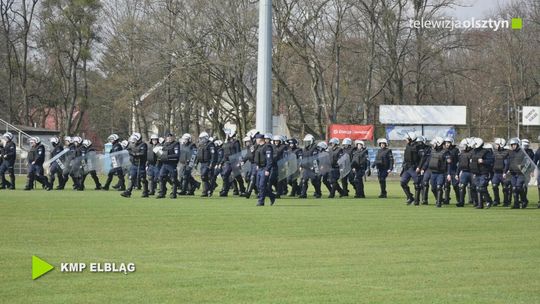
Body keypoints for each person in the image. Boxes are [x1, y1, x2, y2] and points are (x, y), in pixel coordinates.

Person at [121, 133, 149, 198]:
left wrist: (135, 154)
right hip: (134, 164)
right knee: (132, 177)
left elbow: (143, 153)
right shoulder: (132, 145)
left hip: (141, 164)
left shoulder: (143, 144)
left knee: (142, 178)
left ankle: (145, 192)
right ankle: (128, 191)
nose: (133, 140)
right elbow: (128, 150)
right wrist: (131, 153)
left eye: (135, 139)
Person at [470, 137, 494, 209]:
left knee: (482, 187)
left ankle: (488, 201)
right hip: (476, 172)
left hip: (484, 172)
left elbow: (491, 161)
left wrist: (483, 161)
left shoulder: (486, 152)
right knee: (478, 188)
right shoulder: (473, 152)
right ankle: (480, 204)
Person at [425, 137, 450, 207]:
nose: (433, 145)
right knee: (433, 188)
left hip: (441, 173)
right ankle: (439, 199)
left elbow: (449, 164)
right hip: (433, 173)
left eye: (435, 143)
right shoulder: (432, 151)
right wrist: (423, 169)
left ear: (438, 144)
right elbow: (428, 161)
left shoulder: (445, 152)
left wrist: (448, 174)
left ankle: (438, 203)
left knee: (439, 187)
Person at [253, 133, 276, 206]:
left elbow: (270, 160)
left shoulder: (267, 147)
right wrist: (257, 165)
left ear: (260, 139)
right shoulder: (258, 147)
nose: (256, 140)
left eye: (257, 139)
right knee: (258, 185)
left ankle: (261, 201)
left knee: (262, 185)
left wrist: (267, 170)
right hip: (259, 168)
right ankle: (272, 196)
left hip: (265, 169)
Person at [505, 138, 528, 209]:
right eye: (512, 145)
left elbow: (528, 163)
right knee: (514, 188)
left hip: (521, 174)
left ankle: (524, 200)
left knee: (518, 187)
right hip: (513, 174)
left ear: (518, 144)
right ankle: (516, 204)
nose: (513, 146)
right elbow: (508, 163)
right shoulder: (510, 153)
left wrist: (523, 168)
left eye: (514, 144)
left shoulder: (523, 152)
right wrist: (505, 171)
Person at [156, 133, 180, 199]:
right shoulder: (165, 144)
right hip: (165, 164)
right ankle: (162, 193)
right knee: (161, 178)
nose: (169, 138)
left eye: (171, 137)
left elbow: (177, 155)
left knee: (173, 179)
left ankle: (173, 194)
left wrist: (167, 156)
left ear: (173, 138)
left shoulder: (176, 144)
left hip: (172, 164)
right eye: (168, 137)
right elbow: (161, 154)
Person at [400, 132, 421, 205]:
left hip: (414, 168)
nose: (405, 140)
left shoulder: (417, 147)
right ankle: (410, 197)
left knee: (417, 184)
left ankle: (417, 201)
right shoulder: (408, 146)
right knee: (403, 183)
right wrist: (403, 168)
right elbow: (405, 158)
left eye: (407, 138)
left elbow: (421, 158)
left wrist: (419, 167)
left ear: (411, 138)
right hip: (407, 168)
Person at [299, 134, 322, 199]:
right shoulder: (304, 149)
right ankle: (303, 194)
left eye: (308, 142)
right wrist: (301, 165)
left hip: (312, 168)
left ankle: (318, 193)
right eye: (305, 142)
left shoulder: (315, 149)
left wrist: (315, 168)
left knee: (314, 181)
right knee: (304, 180)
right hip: (306, 167)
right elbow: (302, 158)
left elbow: (316, 159)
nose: (306, 143)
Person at [456, 138, 475, 207]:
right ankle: (461, 202)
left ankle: (475, 201)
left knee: (473, 187)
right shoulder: (462, 153)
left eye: (464, 145)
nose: (462, 147)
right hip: (464, 172)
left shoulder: (473, 152)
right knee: (461, 186)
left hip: (472, 172)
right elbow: (459, 164)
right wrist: (457, 173)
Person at [197, 132, 217, 197]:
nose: (201, 140)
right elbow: (198, 155)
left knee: (205, 176)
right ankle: (206, 191)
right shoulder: (200, 145)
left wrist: (212, 163)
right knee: (203, 177)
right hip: (202, 163)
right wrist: (196, 163)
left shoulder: (210, 144)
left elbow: (213, 155)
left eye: (202, 138)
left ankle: (208, 190)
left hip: (208, 162)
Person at [491, 138, 510, 207]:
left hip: (504, 173)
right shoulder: (494, 152)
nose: (495, 145)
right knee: (494, 186)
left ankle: (506, 202)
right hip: (496, 173)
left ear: (501, 145)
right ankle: (496, 200)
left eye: (497, 144)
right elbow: (492, 162)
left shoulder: (507, 152)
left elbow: (507, 163)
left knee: (505, 187)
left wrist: (505, 172)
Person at [442, 137, 460, 205]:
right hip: (446, 170)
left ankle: (459, 200)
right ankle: (446, 199)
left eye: (448, 143)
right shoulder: (444, 151)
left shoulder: (456, 150)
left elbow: (459, 161)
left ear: (451, 143)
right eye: (446, 143)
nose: (447, 144)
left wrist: (458, 172)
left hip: (454, 170)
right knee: (446, 185)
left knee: (455, 186)